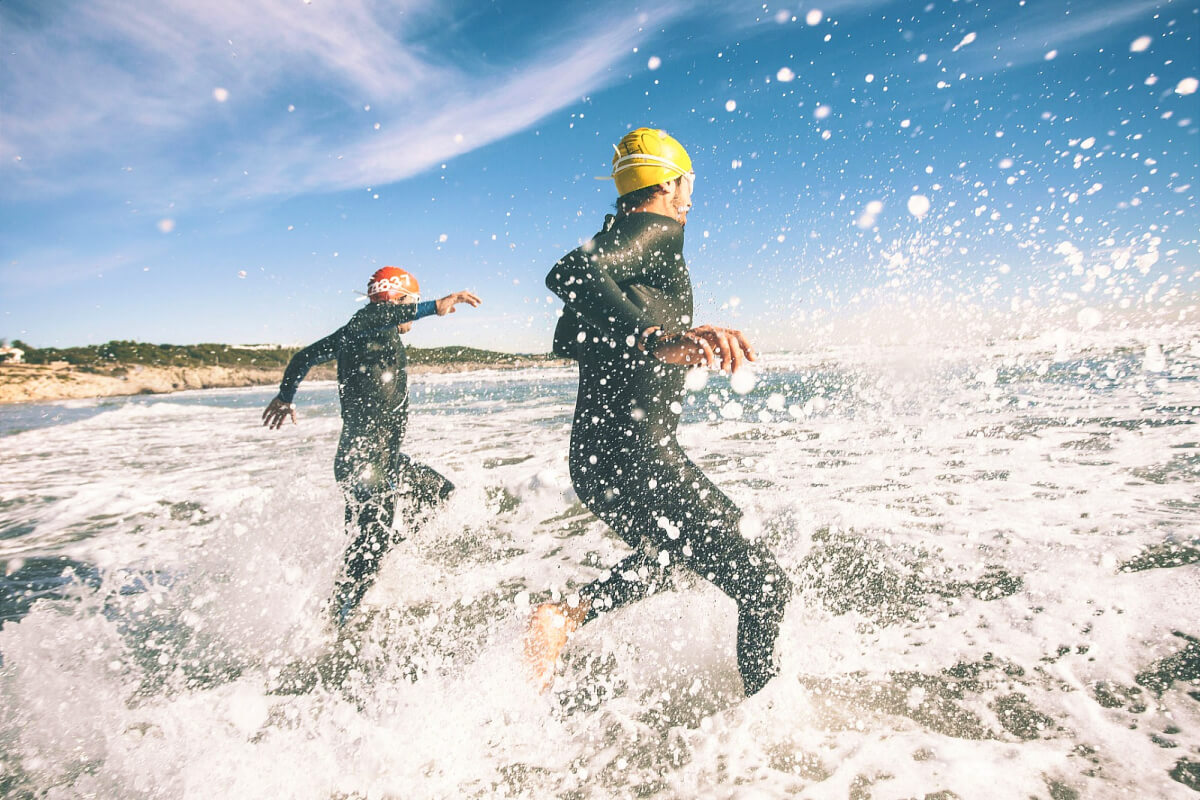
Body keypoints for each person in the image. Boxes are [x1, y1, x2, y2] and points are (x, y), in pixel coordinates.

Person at [525, 128, 793, 698]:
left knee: (669, 558)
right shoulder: (658, 231)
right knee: (766, 586)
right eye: (689, 185)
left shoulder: (617, 248)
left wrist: (646, 334)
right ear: (672, 184)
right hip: (639, 457)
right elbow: (566, 273)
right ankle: (765, 731)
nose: (691, 198)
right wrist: (654, 337)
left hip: (596, 464)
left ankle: (565, 615)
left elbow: (573, 324)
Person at [263, 267, 481, 626]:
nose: (408, 313)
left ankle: (376, 556)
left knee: (438, 494)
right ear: (398, 298)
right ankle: (331, 626)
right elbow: (383, 311)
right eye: (409, 302)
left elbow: (302, 358)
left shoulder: (360, 332)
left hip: (382, 459)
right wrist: (436, 305)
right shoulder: (368, 319)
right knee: (367, 550)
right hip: (364, 462)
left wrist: (286, 398)